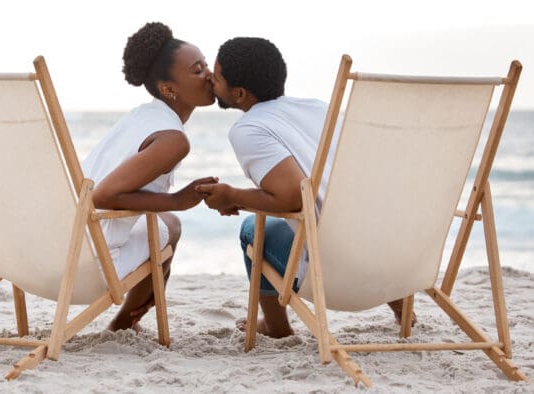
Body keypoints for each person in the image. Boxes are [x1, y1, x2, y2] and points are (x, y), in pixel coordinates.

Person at [196, 37, 415, 338]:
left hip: (339, 270)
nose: (210, 78)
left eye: (217, 77)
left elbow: (292, 198)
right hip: (391, 257)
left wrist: (231, 196)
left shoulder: (249, 129)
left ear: (240, 93)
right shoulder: (317, 108)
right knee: (350, 213)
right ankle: (403, 307)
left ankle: (276, 326)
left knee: (253, 227)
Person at [82, 22, 217, 332]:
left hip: (66, 246)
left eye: (206, 65)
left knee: (165, 223)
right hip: (92, 264)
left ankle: (128, 320)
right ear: (168, 88)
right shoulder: (173, 140)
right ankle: (124, 324)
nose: (209, 75)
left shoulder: (141, 116)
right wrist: (177, 200)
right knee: (171, 224)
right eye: (197, 70)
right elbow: (102, 196)